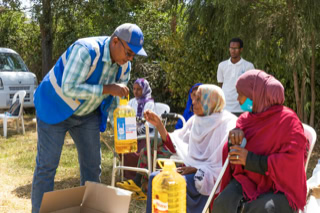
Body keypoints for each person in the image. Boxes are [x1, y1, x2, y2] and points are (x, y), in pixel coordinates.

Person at [31, 23, 147, 212]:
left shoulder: (124, 67)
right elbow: (69, 88)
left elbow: (116, 102)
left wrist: (121, 133)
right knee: (47, 166)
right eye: (128, 53)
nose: (130, 59)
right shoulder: (85, 50)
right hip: (53, 106)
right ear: (115, 41)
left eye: (133, 55)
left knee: (93, 168)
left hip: (87, 115)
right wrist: (108, 89)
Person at [212, 70, 307, 213]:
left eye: (240, 94)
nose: (238, 99)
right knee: (222, 203)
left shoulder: (288, 122)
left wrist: (250, 159)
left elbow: (292, 162)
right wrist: (234, 140)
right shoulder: (246, 119)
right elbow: (232, 155)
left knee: (261, 209)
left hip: (280, 187)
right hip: (248, 181)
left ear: (254, 94)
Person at [142, 84, 237, 212]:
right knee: (155, 177)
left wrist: (197, 169)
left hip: (208, 177)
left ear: (211, 102)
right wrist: (159, 124)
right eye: (194, 98)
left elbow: (223, 165)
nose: (193, 102)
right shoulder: (195, 120)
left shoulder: (226, 123)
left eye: (198, 99)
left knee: (171, 184)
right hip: (190, 171)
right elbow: (175, 144)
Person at [123, 78, 155, 179]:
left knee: (137, 152)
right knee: (123, 147)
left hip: (145, 136)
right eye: (134, 89)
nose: (136, 92)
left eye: (139, 89)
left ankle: (138, 178)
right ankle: (128, 176)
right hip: (132, 134)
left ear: (144, 89)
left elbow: (149, 126)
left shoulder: (149, 103)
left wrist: (133, 132)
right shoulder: (131, 102)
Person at [217, 37, 254, 117]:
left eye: (236, 48)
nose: (233, 51)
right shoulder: (222, 65)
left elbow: (251, 88)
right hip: (225, 107)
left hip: (242, 107)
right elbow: (220, 85)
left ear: (241, 49)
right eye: (231, 48)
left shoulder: (248, 66)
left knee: (241, 129)